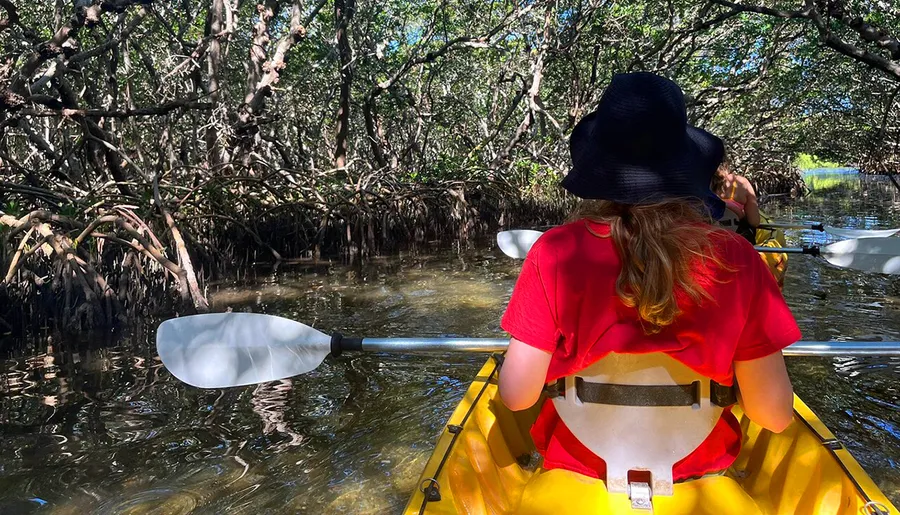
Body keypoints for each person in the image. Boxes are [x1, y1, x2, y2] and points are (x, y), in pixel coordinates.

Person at [498, 72, 799, 494]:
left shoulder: (553, 252)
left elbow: (516, 397)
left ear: (599, 166)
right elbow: (774, 416)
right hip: (700, 477)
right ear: (685, 163)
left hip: (575, 472)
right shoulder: (737, 258)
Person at [712, 154, 761, 243]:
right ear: (727, 163)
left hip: (711, 238)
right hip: (739, 239)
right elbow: (754, 222)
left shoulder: (700, 183)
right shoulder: (742, 183)